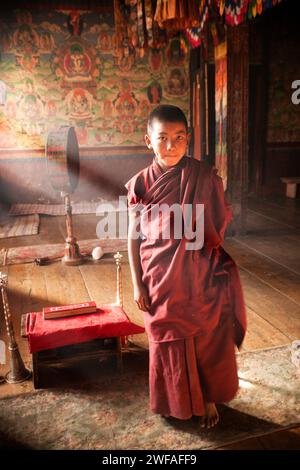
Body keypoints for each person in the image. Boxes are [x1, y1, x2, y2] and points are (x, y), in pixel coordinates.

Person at [125, 105, 246, 429]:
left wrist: (213, 191)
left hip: (197, 272)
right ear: (147, 140)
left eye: (179, 138)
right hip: (158, 275)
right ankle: (173, 399)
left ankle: (206, 398)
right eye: (162, 138)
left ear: (188, 139)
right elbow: (134, 236)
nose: (171, 146)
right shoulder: (140, 184)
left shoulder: (203, 176)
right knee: (164, 335)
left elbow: (216, 227)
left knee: (204, 335)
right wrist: (137, 284)